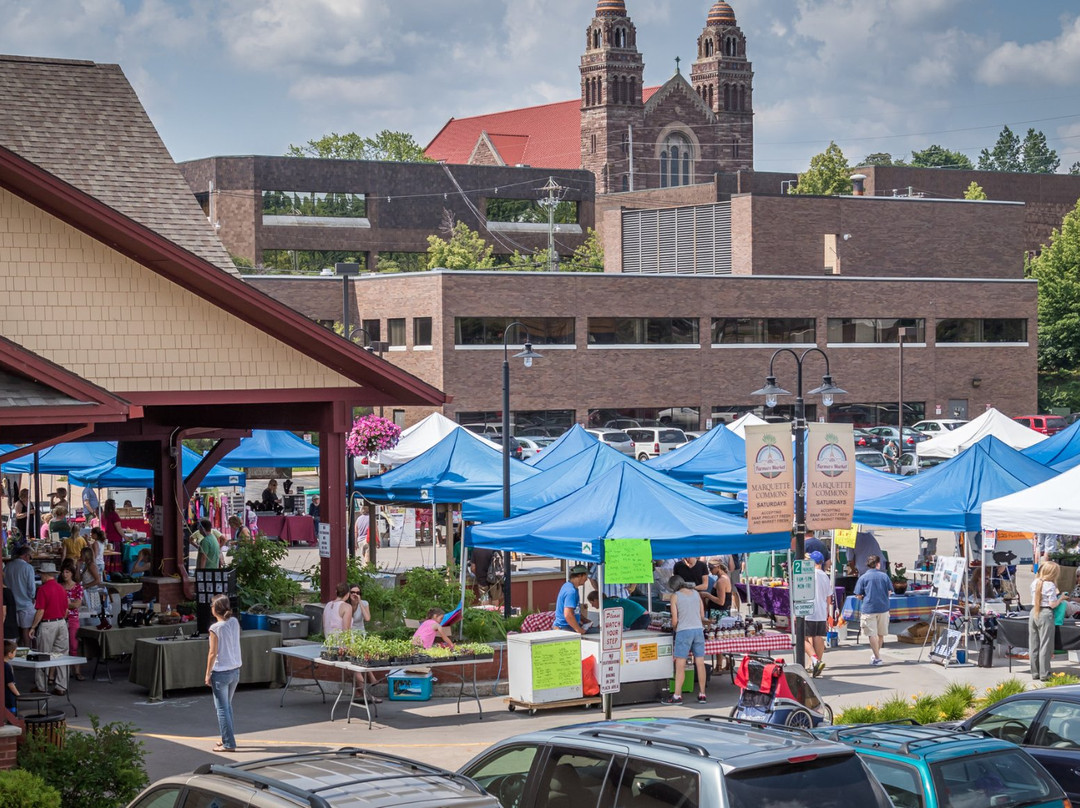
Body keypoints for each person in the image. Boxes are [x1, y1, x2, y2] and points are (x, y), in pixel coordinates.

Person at [205, 594, 242, 752]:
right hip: (235, 670)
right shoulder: (234, 622)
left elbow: (212, 653)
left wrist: (207, 673)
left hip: (220, 672)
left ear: (215, 610)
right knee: (227, 706)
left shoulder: (215, 628)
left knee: (222, 709)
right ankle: (227, 737)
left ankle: (228, 743)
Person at [663, 576, 707, 705]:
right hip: (698, 629)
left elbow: (675, 620)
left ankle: (677, 695)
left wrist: (675, 628)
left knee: (680, 664)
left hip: (684, 630)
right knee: (700, 662)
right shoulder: (696, 593)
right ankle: (702, 694)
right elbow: (702, 615)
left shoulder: (675, 596)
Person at [29, 562, 68, 696]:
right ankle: (61, 686)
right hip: (61, 622)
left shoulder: (43, 589)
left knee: (43, 655)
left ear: (45, 574)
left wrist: (33, 626)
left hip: (48, 624)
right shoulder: (61, 588)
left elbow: (40, 610)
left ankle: (41, 686)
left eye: (41, 573)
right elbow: (66, 609)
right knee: (62, 655)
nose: (40, 576)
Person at [854, 554, 895, 667]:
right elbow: (889, 591)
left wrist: (863, 597)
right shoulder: (884, 576)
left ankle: (877, 657)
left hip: (869, 608)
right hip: (883, 607)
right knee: (881, 633)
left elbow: (858, 594)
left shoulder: (863, 577)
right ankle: (877, 655)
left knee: (871, 634)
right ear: (878, 564)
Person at [1030, 561, 1068, 681]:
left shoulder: (1035, 582)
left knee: (1034, 645)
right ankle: (1045, 674)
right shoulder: (1050, 585)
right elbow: (1052, 604)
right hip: (1046, 614)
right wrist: (1061, 598)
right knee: (1046, 645)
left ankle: (1035, 672)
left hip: (1034, 612)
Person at [805, 551, 833, 677]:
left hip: (808, 610)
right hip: (821, 611)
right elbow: (829, 598)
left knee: (803, 637)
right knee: (818, 636)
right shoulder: (825, 576)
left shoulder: (809, 574)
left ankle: (815, 660)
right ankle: (817, 664)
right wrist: (827, 614)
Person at [58, 559, 85, 680]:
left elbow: (77, 605)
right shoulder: (59, 587)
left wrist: (64, 604)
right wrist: (69, 603)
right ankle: (62, 672)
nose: (65, 574)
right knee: (60, 646)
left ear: (72, 573)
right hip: (60, 619)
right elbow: (72, 604)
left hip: (73, 619)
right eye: (63, 572)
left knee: (74, 645)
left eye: (67, 572)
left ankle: (77, 671)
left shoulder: (78, 587)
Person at [4, 546, 36, 647]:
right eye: (31, 557)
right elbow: (31, 588)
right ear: (26, 556)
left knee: (14, 632)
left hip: (11, 604)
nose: (31, 560)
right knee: (26, 631)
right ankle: (27, 652)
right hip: (25, 603)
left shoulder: (7, 567)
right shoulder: (28, 568)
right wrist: (32, 597)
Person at [553, 565, 590, 635]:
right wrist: (579, 630)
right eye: (586, 576)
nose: (587, 579)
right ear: (579, 576)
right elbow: (568, 615)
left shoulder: (568, 586)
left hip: (566, 627)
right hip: (565, 629)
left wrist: (584, 619)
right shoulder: (571, 592)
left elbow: (574, 610)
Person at [3, 640, 18, 716]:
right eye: (15, 651)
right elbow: (10, 684)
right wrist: (18, 695)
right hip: (8, 697)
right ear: (10, 654)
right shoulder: (6, 667)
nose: (16, 653)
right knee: (11, 714)